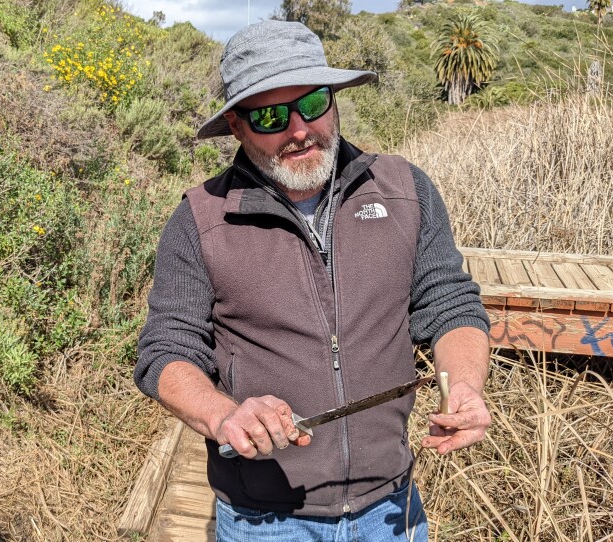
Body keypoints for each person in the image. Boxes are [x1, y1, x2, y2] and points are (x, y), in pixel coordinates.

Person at [134, 19, 491, 542]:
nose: (299, 129)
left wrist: (462, 387)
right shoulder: (200, 221)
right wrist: (222, 415)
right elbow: (165, 350)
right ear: (236, 126)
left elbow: (451, 304)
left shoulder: (405, 190)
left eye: (314, 102)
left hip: (392, 505)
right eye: (272, 116)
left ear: (335, 100)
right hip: (265, 520)